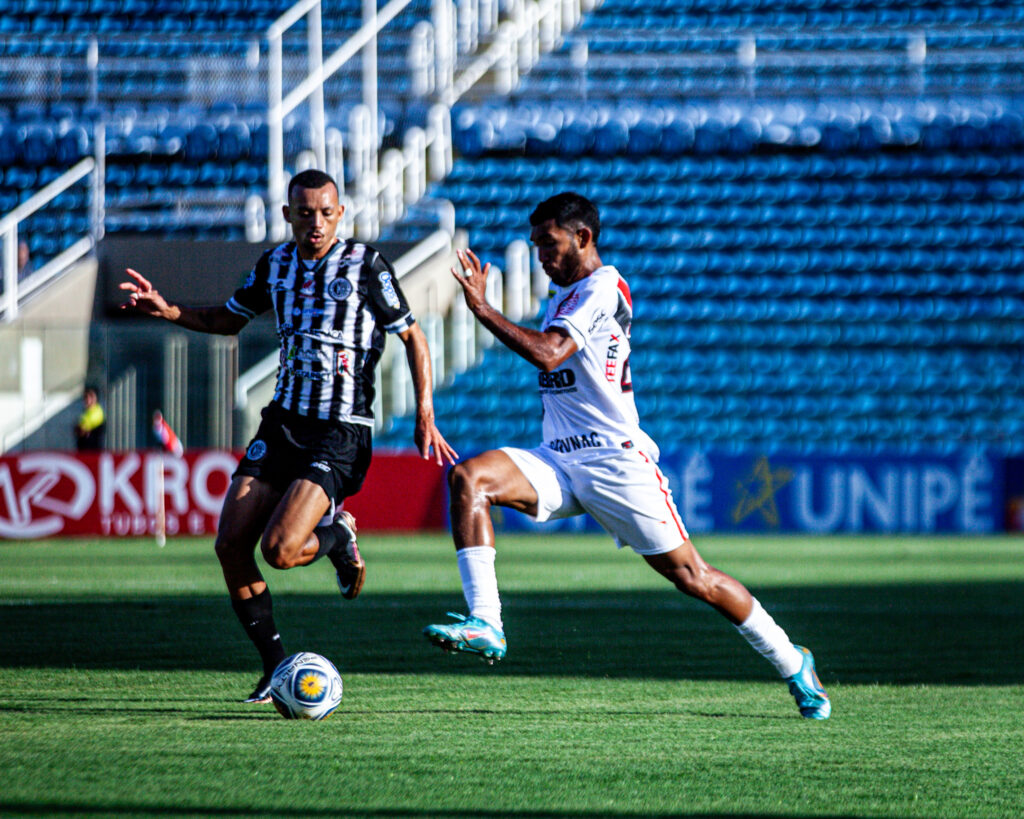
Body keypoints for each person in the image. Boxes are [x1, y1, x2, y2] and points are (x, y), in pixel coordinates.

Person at [423, 192, 830, 719]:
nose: (541, 255)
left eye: (549, 243)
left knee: (695, 579)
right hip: (560, 459)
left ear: (583, 238)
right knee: (469, 478)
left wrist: (482, 307)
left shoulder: (601, 287)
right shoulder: (565, 296)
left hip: (616, 463)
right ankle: (487, 623)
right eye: (536, 245)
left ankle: (793, 662)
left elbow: (549, 353)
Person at [121, 169, 458, 703]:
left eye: (326, 213)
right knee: (230, 544)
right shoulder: (275, 264)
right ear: (287, 216)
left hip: (342, 429)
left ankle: (338, 537)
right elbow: (228, 320)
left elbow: (413, 336)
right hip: (281, 424)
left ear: (340, 214)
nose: (316, 223)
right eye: (305, 213)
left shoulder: (365, 265)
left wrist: (424, 412)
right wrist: (169, 311)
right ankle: (276, 666)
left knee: (280, 551)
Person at [74, 386, 105, 451]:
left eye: (91, 397)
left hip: (92, 450)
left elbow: (82, 430)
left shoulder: (97, 412)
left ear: (95, 399)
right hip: (84, 448)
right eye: (86, 397)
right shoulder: (86, 412)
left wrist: (81, 429)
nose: (88, 399)